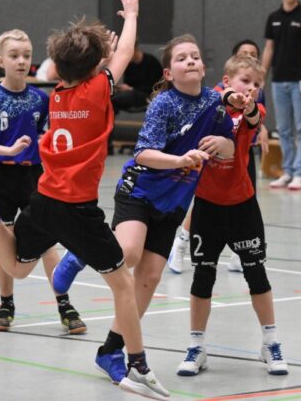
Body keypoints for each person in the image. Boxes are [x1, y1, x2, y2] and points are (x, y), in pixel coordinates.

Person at [0, 0, 172, 400]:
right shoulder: (96, 90)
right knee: (123, 284)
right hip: (77, 208)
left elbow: (100, 63)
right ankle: (138, 366)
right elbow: (123, 53)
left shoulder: (57, 95)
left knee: (17, 267)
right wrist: (132, 15)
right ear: (95, 67)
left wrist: (99, 58)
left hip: (43, 199)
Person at [53, 34, 254, 386]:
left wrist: (223, 143)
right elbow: (143, 154)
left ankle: (111, 350)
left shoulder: (216, 104)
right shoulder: (164, 104)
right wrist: (180, 159)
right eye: (182, 58)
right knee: (128, 254)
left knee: (148, 279)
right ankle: (82, 251)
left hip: (174, 203)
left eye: (195, 56)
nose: (190, 61)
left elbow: (230, 150)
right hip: (141, 191)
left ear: (203, 66)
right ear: (169, 72)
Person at [175, 53, 288, 377]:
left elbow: (252, 117)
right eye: (245, 81)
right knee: (203, 277)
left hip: (242, 205)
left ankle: (270, 342)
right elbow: (209, 98)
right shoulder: (209, 101)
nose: (251, 88)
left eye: (257, 84)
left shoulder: (255, 110)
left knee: (257, 275)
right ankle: (197, 346)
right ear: (227, 81)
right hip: (207, 205)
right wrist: (226, 97)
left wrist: (246, 105)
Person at [0, 29, 85, 333]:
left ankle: (64, 304)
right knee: (6, 242)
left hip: (35, 177)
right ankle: (5, 304)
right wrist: (8, 150)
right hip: (1, 178)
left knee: (47, 241)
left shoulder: (40, 99)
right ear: (1, 61)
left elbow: (52, 135)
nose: (21, 61)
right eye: (14, 56)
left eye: (26, 56)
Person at [167, 39, 268, 274]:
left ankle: (239, 252)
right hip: (209, 163)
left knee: (243, 198)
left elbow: (255, 116)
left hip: (241, 156)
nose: (250, 57)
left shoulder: (255, 98)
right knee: (205, 201)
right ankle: (181, 242)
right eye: (245, 54)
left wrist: (259, 125)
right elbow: (209, 100)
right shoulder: (215, 96)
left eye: (254, 54)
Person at [262, 0, 301, 190]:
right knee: (283, 129)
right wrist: (261, 76)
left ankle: (300, 173)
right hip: (278, 80)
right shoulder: (273, 18)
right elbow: (269, 49)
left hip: (300, 80)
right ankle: (287, 171)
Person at [111, 41, 163, 114]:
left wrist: (131, 88)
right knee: (109, 96)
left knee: (115, 99)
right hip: (133, 93)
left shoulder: (151, 61)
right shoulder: (129, 64)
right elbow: (128, 83)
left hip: (148, 95)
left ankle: (109, 119)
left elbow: (155, 87)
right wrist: (122, 88)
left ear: (135, 49)